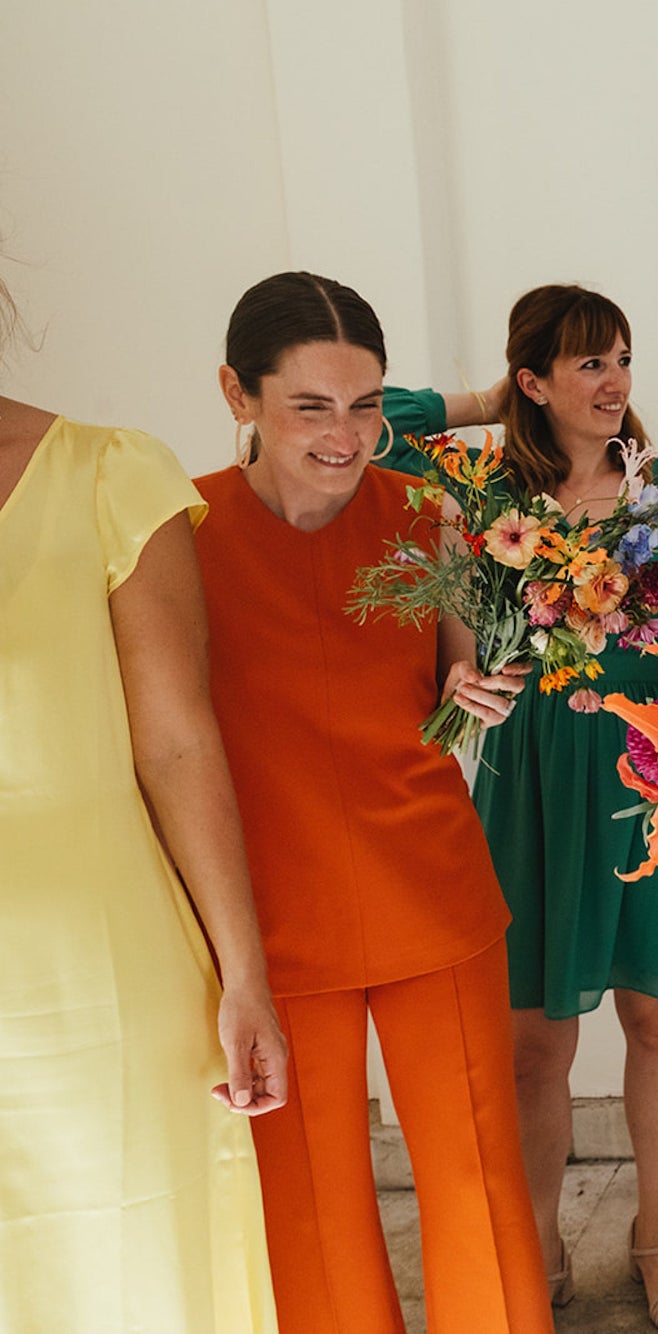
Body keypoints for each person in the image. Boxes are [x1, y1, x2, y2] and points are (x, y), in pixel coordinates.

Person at [195, 270, 552, 1334]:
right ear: (237, 392)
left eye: (364, 403)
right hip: (271, 920)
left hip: (429, 893)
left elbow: (460, 680)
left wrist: (479, 684)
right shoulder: (179, 533)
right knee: (309, 1211)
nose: (347, 434)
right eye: (312, 404)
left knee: (476, 1188)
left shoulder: (426, 515)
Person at [378, 285, 658, 1332]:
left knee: (654, 1018)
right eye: (584, 363)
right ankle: (538, 1237)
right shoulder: (486, 490)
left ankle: (652, 1232)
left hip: (648, 783)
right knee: (535, 1040)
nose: (613, 380)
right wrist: (488, 398)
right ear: (532, 380)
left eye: (620, 357)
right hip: (530, 780)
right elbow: (377, 424)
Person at [0, 278, 286, 1332]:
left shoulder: (107, 474)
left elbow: (176, 743)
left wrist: (243, 972)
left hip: (103, 987)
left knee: (128, 1277)